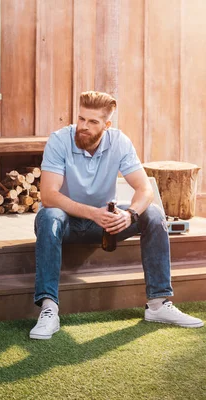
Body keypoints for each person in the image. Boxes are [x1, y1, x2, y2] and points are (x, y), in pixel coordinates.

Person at [30, 90, 204, 340]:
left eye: (93, 122)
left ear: (107, 125)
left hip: (104, 225)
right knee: (49, 215)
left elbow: (144, 189)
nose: (84, 127)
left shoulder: (119, 142)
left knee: (153, 214)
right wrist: (93, 213)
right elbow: (48, 195)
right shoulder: (59, 141)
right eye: (81, 119)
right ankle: (49, 310)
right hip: (66, 223)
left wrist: (130, 215)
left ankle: (158, 304)